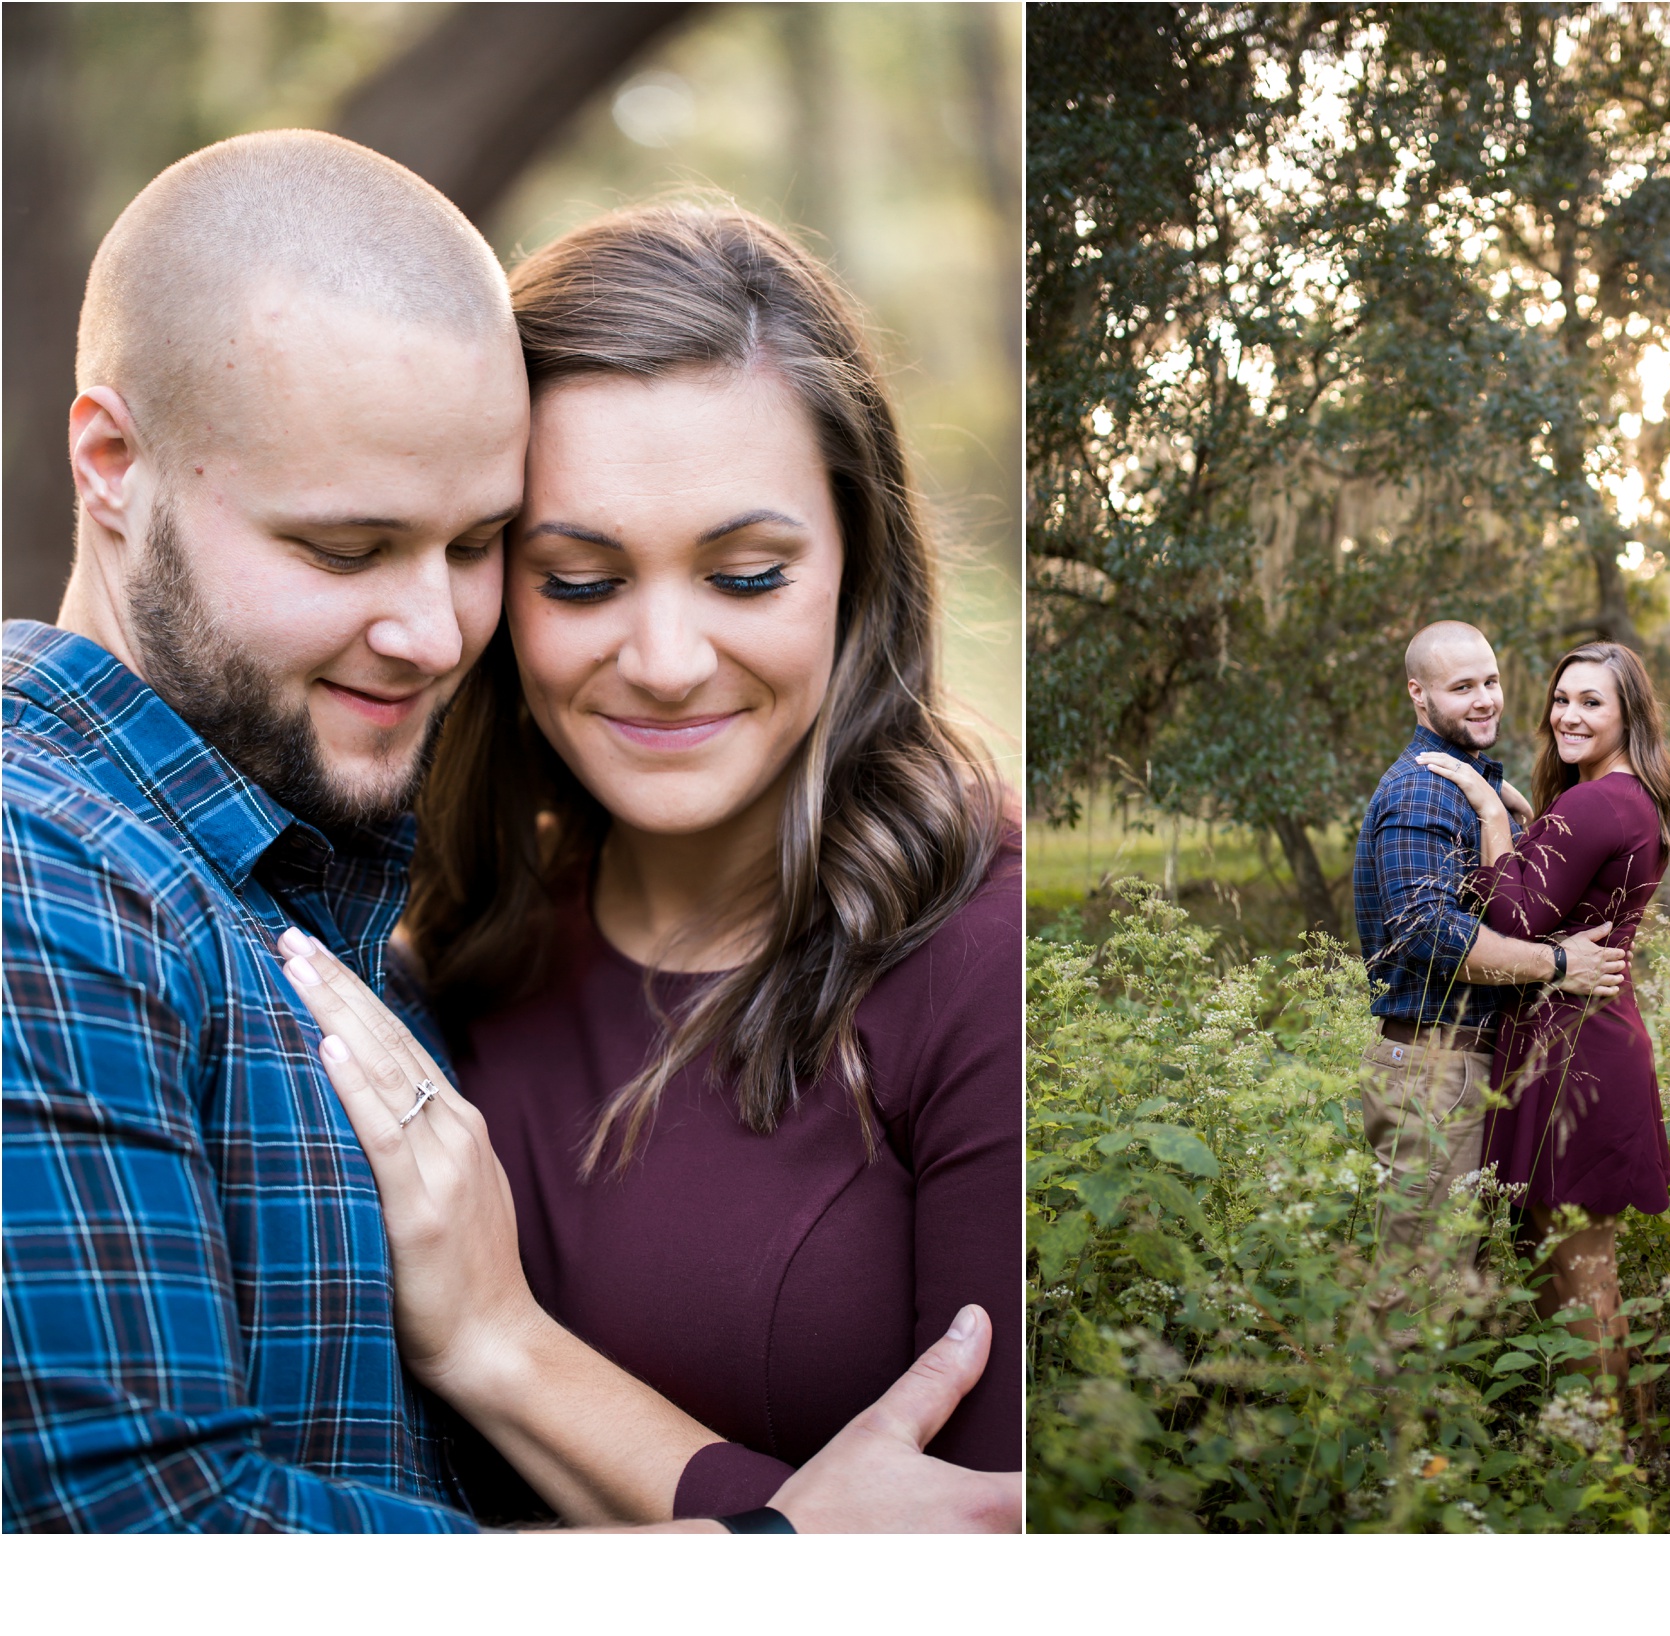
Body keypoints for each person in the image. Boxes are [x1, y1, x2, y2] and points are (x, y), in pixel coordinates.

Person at [3, 130, 1010, 1533]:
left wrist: (513, 1353)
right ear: (110, 463)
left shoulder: (351, 898)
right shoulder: (45, 881)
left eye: (476, 545)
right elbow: (133, 1542)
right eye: (345, 549)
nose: (430, 634)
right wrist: (766, 1557)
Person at [277, 200, 1021, 1527]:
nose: (668, 663)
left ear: (857, 569)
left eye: (745, 577)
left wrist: (504, 1346)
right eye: (580, 583)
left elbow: (975, 1548)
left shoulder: (985, 967)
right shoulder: (444, 945)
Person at [1416, 640, 1670, 1404]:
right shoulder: (1616, 798)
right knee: (1557, 1258)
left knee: (1576, 1267)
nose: (1568, 715)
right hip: (1574, 1039)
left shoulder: (1601, 800)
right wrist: (1533, 824)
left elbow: (1514, 913)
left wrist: (1483, 807)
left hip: (1579, 1053)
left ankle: (1599, 1458)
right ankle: (1600, 1436)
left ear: (1628, 713)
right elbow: (1557, 897)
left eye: (1591, 702)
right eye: (1562, 699)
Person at [1351, 621, 1626, 1259]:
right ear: (1419, 695)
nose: (1485, 700)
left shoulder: (1464, 786)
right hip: (1434, 1069)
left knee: (1456, 1293)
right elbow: (1431, 933)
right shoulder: (1423, 790)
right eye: (1462, 688)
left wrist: (1509, 815)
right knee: (1421, 1305)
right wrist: (1558, 964)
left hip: (1463, 1066)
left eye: (1492, 681)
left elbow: (1502, 901)